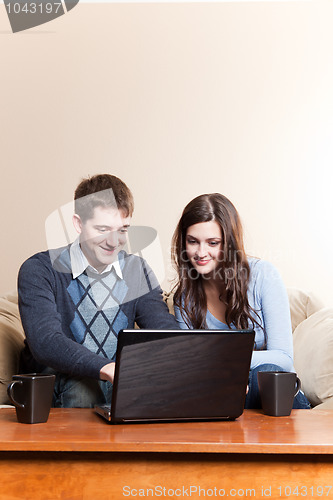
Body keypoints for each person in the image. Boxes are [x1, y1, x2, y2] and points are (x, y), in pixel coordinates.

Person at [18, 174, 178, 408]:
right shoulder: (39, 269)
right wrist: (106, 368)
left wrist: (201, 365)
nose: (114, 242)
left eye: (123, 229)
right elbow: (46, 341)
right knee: (85, 388)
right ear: (78, 223)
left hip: (114, 378)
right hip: (54, 381)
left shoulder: (136, 269)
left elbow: (162, 328)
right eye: (103, 229)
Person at [171, 193, 310, 409]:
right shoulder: (185, 298)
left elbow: (283, 358)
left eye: (212, 243)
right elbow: (191, 364)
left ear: (229, 244)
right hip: (222, 397)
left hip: (278, 400)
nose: (200, 252)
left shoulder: (263, 276)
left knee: (261, 374)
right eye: (193, 242)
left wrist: (222, 362)